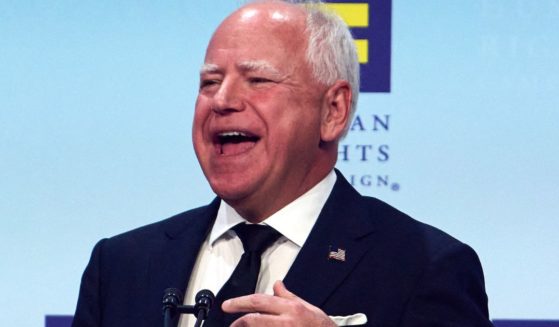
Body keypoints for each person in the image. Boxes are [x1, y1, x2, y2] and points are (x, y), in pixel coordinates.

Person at [72, 1, 492, 326]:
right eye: (210, 82)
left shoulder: (423, 268)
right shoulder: (121, 266)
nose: (222, 101)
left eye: (258, 80)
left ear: (333, 111)